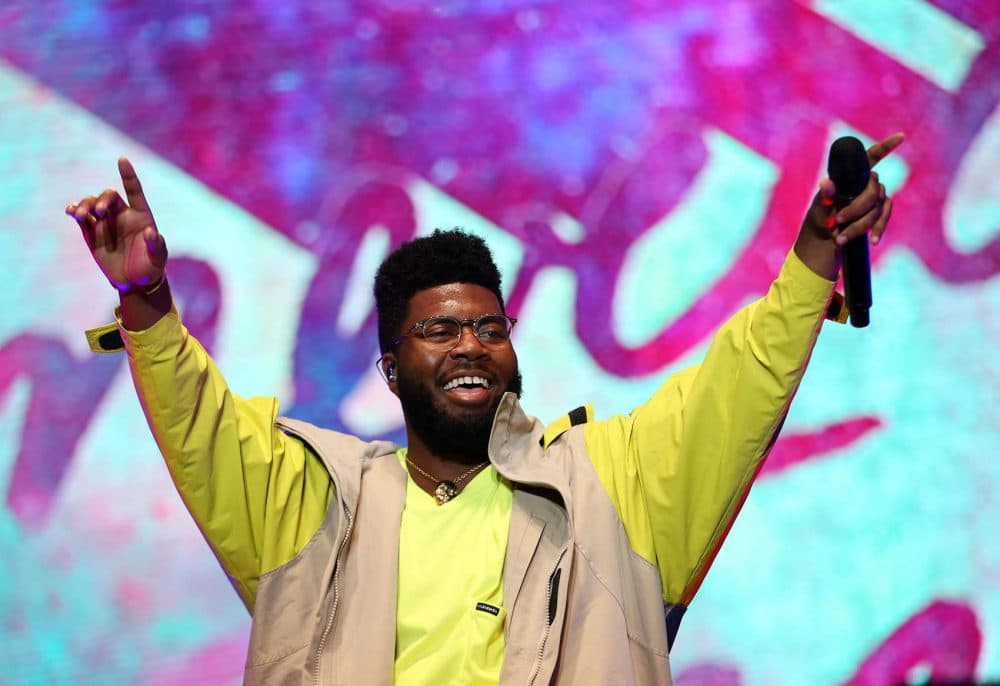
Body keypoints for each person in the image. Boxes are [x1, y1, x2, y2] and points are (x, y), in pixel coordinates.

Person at [71, 133, 901, 685]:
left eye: (489, 328)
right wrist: (145, 301)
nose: (470, 345)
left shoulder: (612, 484)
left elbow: (738, 387)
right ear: (390, 369)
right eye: (439, 330)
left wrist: (811, 260)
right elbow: (200, 427)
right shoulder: (319, 503)